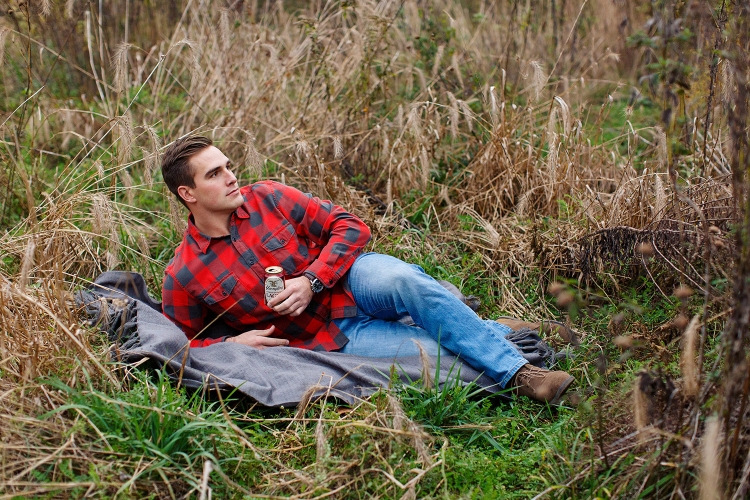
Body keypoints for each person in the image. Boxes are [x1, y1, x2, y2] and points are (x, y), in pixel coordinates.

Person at [160, 135, 576, 404]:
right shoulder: (183, 274)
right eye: (215, 174)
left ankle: (524, 374)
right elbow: (180, 345)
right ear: (187, 193)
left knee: (403, 279)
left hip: (351, 282)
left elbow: (350, 226)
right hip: (330, 337)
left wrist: (311, 280)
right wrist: (232, 344)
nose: (232, 177)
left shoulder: (268, 196)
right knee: (439, 357)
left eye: (228, 166)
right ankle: (502, 331)